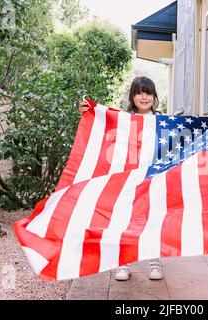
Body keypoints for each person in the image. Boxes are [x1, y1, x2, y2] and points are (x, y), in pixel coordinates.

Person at [79, 76, 164, 281]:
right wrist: (88, 113)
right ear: (132, 96)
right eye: (139, 92)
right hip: (127, 177)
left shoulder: (162, 120)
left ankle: (155, 262)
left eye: (148, 92)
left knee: (152, 219)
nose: (144, 97)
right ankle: (123, 263)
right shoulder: (123, 119)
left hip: (154, 176)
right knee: (124, 218)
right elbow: (103, 129)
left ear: (154, 97)